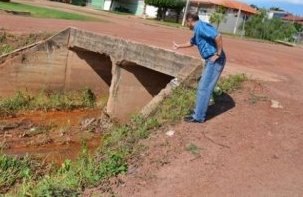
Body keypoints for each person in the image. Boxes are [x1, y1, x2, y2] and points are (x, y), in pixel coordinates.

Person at [173, 13, 226, 123]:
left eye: (186, 22)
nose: (186, 24)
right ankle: (199, 111)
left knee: (203, 87)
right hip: (210, 60)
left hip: (215, 60)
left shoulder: (201, 27)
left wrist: (218, 54)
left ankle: (198, 116)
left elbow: (218, 36)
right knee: (203, 86)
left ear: (190, 19)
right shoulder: (198, 29)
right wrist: (179, 46)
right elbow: (192, 42)